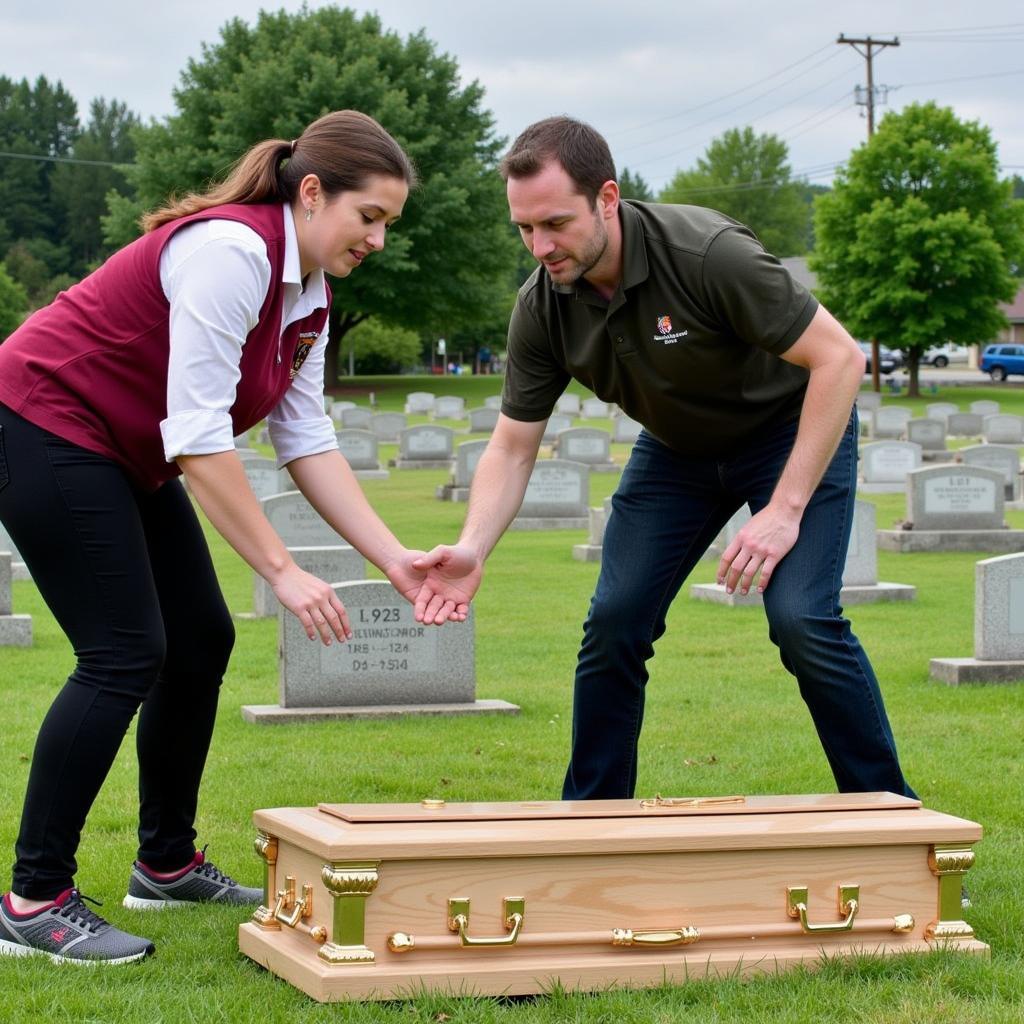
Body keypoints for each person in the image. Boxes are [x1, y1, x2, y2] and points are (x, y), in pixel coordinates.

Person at [0, 110, 464, 965]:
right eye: (371, 217)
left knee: (201, 637)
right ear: (314, 192)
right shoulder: (233, 252)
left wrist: (391, 557)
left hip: (121, 450)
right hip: (43, 423)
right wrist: (282, 570)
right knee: (122, 652)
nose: (381, 240)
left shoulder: (312, 292)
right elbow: (198, 434)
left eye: (390, 223)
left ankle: (165, 865)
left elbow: (306, 437)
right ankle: (33, 900)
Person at [414, 115, 915, 805]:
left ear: (608, 198)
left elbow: (839, 357)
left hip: (786, 432)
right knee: (615, 620)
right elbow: (513, 444)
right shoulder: (543, 305)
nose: (540, 246)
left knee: (802, 620)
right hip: (677, 453)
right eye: (525, 229)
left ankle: (891, 821)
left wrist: (785, 509)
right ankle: (591, 827)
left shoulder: (707, 254)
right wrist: (474, 546)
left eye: (556, 223)